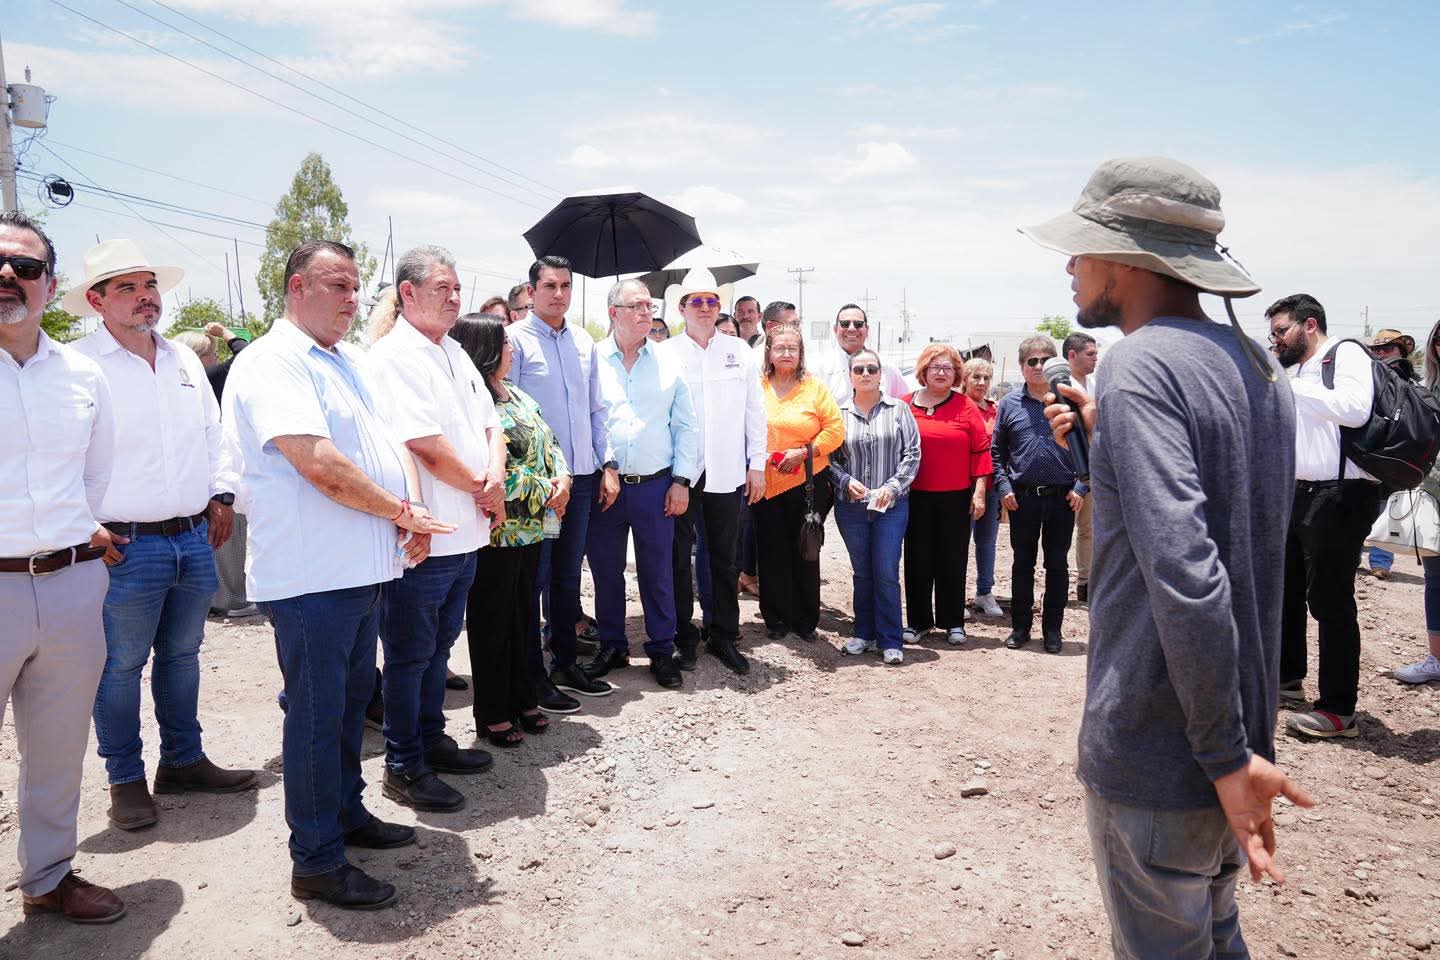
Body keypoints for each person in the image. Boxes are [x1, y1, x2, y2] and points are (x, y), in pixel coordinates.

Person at [1025, 155, 1310, 959]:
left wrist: (1219, 754)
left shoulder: (1140, 363)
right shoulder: (1255, 364)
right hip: (1236, 739)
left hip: (1168, 747)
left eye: (1078, 249)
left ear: (1126, 257)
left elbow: (1189, 573)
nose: (1070, 269)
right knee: (1216, 936)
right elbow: (1233, 533)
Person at [223, 239, 455, 909]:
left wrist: (397, 523)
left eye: (357, 287)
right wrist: (403, 512)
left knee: (352, 709)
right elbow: (318, 462)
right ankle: (317, 858)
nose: (354, 299)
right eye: (338, 286)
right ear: (297, 287)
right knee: (319, 719)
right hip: (311, 578)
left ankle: (346, 814)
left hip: (357, 569)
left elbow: (381, 448)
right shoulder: (274, 362)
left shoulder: (345, 360)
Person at [69, 239, 257, 832]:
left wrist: (221, 494)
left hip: (189, 537)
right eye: (127, 287)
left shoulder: (180, 360)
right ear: (96, 300)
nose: (145, 296)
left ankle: (182, 760)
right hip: (122, 545)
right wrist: (83, 525)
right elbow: (56, 455)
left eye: (149, 285)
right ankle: (125, 779)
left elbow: (213, 433)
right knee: (119, 667)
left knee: (181, 656)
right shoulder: (77, 365)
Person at [0, 211, 126, 924]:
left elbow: (98, 477)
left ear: (50, 285)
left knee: (58, 747)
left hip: (73, 583)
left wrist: (76, 541)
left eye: (25, 266)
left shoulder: (82, 373)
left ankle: (48, 876)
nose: (8, 276)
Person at [364, 245, 505, 811]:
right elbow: (421, 443)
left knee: (440, 647)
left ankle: (430, 738)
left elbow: (491, 422)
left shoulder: (451, 350)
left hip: (466, 529)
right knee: (409, 652)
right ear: (407, 293)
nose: (455, 298)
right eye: (443, 288)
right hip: (427, 534)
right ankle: (403, 763)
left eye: (457, 288)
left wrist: (491, 479)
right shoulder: (394, 357)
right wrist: (481, 485)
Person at [1268, 293, 1383, 739]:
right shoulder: (1295, 370)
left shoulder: (1347, 354)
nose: (1275, 340)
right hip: (1295, 493)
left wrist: (1282, 381)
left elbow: (1355, 409)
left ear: (1309, 325)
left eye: (1282, 330)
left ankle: (1338, 710)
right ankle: (1286, 680)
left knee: (1330, 602)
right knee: (1287, 591)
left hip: (1340, 495)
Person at [451, 314, 567, 745]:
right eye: (504, 342)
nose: (512, 349)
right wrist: (545, 487)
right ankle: (493, 711)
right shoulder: (474, 401)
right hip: (497, 532)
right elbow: (492, 471)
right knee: (492, 621)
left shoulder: (514, 393)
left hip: (533, 529)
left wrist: (564, 478)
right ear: (484, 349)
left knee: (523, 617)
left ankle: (523, 697)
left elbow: (548, 442)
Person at [507, 255, 614, 707]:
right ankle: (532, 677)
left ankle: (566, 665)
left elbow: (596, 408)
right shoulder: (513, 341)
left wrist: (606, 464)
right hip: (541, 489)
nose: (558, 293)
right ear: (531, 292)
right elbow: (504, 415)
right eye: (549, 285)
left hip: (583, 478)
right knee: (535, 579)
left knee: (569, 578)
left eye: (566, 285)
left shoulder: (584, 343)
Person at [585, 279, 699, 690]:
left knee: (658, 571)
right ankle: (613, 644)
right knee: (606, 570)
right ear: (613, 313)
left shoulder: (668, 362)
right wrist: (606, 465)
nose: (645, 312)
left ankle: (662, 648)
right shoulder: (593, 360)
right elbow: (591, 422)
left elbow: (686, 426)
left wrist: (682, 481)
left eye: (648, 305)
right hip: (607, 485)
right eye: (635, 306)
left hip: (657, 485)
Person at [657, 268, 768, 674]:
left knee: (724, 557)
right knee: (676, 558)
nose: (705, 308)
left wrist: (757, 464)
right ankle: (682, 636)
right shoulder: (664, 353)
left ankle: (723, 634)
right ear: (681, 308)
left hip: (727, 471)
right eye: (696, 301)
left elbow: (756, 412)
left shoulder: (740, 351)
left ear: (719, 307)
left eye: (711, 301)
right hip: (680, 474)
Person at [991, 336, 1084, 653]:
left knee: (1057, 566)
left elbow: (1090, 449)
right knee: (1022, 565)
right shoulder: (1009, 405)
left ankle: (1053, 631)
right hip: (1023, 498)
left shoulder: (1070, 403)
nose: (1039, 366)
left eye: (1045, 359)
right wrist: (1003, 487)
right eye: (1032, 361)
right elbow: (997, 452)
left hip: (1063, 497)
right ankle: (1020, 627)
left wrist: (1082, 486)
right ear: (1022, 366)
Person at [753, 324, 844, 642]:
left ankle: (805, 620)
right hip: (765, 483)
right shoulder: (757, 386)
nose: (787, 353)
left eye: (793, 348)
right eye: (780, 348)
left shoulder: (814, 388)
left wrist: (803, 452)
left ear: (801, 352)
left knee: (806, 550)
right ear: (769, 352)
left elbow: (835, 430)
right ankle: (776, 618)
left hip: (808, 483)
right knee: (771, 552)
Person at [831, 350, 921, 664]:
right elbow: (828, 459)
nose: (866, 373)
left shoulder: (899, 410)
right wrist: (844, 482)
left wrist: (891, 488)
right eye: (859, 369)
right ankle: (863, 633)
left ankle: (890, 639)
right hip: (851, 506)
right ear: (850, 375)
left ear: (881, 373)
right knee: (862, 572)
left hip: (891, 506)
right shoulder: (837, 412)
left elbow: (913, 455)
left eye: (872, 368)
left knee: (885, 570)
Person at [902, 343, 991, 644]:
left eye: (948, 368)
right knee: (917, 558)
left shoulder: (965, 405)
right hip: (914, 496)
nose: (941, 372)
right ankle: (918, 622)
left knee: (953, 558)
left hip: (955, 496)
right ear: (923, 371)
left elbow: (981, 451)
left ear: (956, 374)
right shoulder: (904, 405)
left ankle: (953, 621)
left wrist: (979, 493)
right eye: (935, 367)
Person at [1393, 318, 1440, 685]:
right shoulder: (1430, 387)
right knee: (1436, 578)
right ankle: (1436, 658)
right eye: (1438, 339)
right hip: (1435, 496)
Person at [1363, 327, 1417, 580]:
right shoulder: (1365, 376)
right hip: (1367, 452)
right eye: (1377, 349)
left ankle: (1380, 562)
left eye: (1387, 348)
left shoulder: (1407, 382)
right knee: (1358, 507)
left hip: (1392, 453)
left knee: (1386, 509)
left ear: (1401, 352)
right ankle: (1356, 557)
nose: (1381, 353)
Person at [963, 357, 1004, 618]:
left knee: (987, 542)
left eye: (986, 378)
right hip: (960, 486)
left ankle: (984, 592)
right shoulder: (958, 407)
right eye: (976, 377)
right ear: (965, 379)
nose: (981, 382)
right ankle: (953, 592)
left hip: (991, 487)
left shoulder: (996, 410)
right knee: (958, 543)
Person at [1062, 331, 1099, 602]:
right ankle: (1058, 582)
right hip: (1067, 472)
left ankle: (1085, 582)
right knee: (1062, 531)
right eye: (1090, 354)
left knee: (1089, 529)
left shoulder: (1096, 385)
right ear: (1072, 355)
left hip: (1094, 470)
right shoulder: (1061, 388)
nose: (1095, 358)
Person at [814, 304, 908, 406]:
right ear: (835, 329)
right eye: (845, 323)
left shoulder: (887, 366)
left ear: (867, 330)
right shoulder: (820, 368)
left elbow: (905, 403)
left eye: (858, 324)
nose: (851, 328)